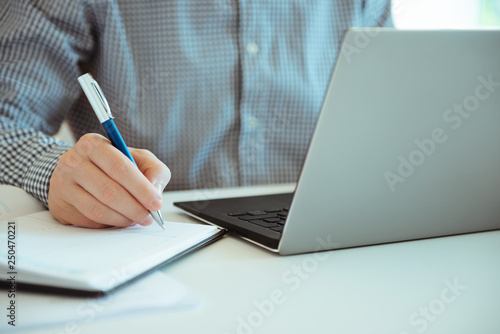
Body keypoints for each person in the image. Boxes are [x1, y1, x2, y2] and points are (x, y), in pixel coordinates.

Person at [0, 0, 393, 229]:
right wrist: (58, 170)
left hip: (332, 236)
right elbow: (5, 123)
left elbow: (394, 114)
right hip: (155, 244)